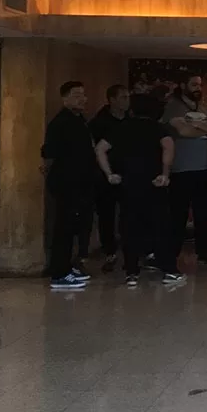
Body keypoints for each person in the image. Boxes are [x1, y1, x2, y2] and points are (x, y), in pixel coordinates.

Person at [96, 93, 184, 286]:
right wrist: (165, 174)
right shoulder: (159, 128)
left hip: (128, 185)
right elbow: (168, 147)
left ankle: (131, 273)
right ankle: (169, 270)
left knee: (129, 229)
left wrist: (109, 174)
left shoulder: (121, 127)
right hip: (154, 184)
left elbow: (100, 148)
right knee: (160, 227)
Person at [41, 81, 97, 291]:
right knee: (63, 227)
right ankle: (59, 273)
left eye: (83, 94)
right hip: (67, 182)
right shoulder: (61, 122)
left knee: (74, 226)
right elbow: (49, 152)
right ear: (64, 98)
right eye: (76, 95)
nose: (81, 99)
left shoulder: (79, 119)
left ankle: (67, 266)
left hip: (80, 182)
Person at [164, 75, 207, 267]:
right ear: (183, 85)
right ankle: (172, 254)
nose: (198, 88)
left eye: (199, 84)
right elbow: (183, 132)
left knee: (202, 215)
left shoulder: (205, 106)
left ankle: (204, 252)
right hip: (181, 169)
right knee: (178, 215)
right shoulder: (173, 106)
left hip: (204, 168)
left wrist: (195, 125)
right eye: (193, 84)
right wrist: (205, 128)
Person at [85, 84, 129, 272]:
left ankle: (132, 249)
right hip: (105, 175)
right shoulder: (99, 123)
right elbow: (95, 150)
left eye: (128, 97)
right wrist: (107, 172)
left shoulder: (130, 120)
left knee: (129, 213)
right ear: (111, 100)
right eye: (123, 97)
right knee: (106, 214)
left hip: (127, 173)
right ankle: (109, 251)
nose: (127, 101)